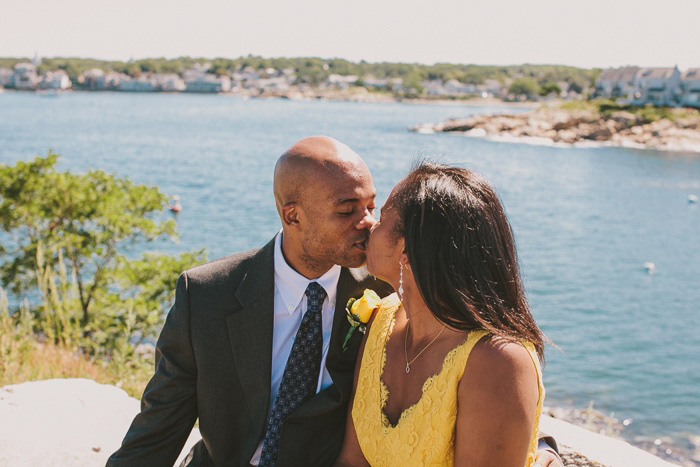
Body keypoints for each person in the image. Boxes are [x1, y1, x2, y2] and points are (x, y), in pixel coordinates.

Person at [108, 138, 562, 466]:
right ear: (293, 216)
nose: (366, 224)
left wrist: (540, 451)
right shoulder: (206, 295)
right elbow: (158, 429)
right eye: (348, 211)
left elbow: (477, 388)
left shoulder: (391, 292)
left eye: (373, 206)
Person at [335, 163, 550, 466]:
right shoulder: (380, 320)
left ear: (408, 252)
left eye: (382, 217)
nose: (370, 225)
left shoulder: (497, 361)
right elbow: (352, 459)